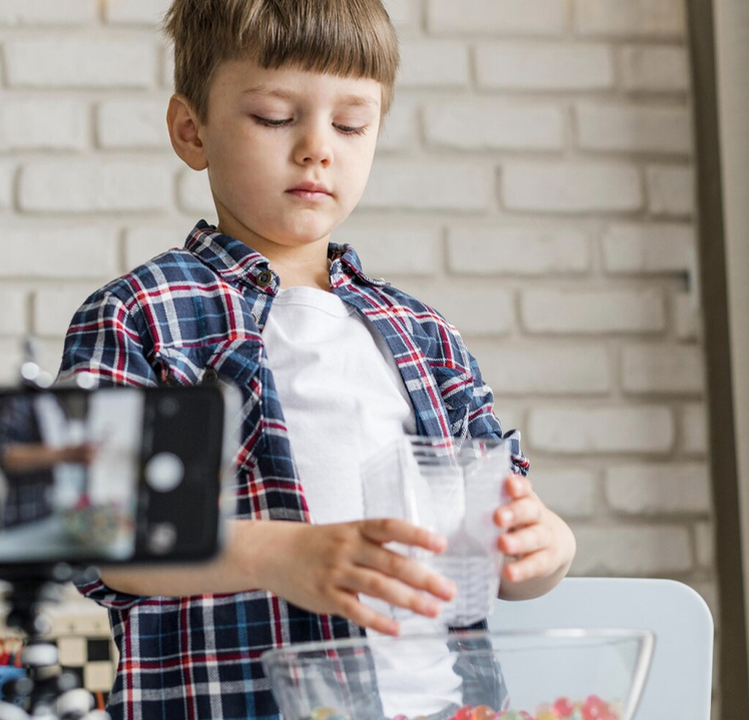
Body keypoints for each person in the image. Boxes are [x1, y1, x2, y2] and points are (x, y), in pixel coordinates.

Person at [59, 1, 577, 718]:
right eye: (275, 116)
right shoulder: (146, 313)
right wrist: (277, 555)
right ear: (191, 129)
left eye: (351, 123)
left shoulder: (425, 333)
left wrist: (547, 548)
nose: (317, 148)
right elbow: (94, 530)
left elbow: (506, 532)